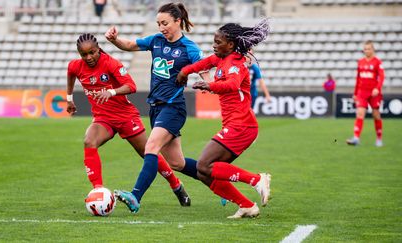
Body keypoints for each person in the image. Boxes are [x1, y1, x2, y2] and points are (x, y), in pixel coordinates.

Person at [105, 2, 210, 213]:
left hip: (174, 108)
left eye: (165, 23)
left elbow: (204, 69)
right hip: (155, 108)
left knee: (150, 147)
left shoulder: (189, 47)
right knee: (177, 163)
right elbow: (129, 45)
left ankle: (135, 196)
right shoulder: (156, 40)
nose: (162, 27)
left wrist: (209, 83)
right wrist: (114, 39)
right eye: (159, 23)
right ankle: (220, 182)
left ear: (178, 21)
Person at [66, 33, 191, 208]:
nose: (89, 57)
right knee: (89, 141)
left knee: (148, 153)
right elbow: (71, 73)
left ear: (98, 49)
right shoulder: (76, 66)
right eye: (84, 54)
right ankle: (98, 190)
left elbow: (131, 86)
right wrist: (69, 97)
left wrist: (111, 92)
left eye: (92, 53)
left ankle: (175, 184)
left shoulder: (111, 63)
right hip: (103, 119)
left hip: (125, 116)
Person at [176, 20, 271, 218]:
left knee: (203, 164)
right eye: (214, 41)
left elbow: (232, 84)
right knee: (205, 173)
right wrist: (185, 71)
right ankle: (246, 205)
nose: (214, 45)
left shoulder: (235, 63)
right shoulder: (220, 58)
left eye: (218, 42)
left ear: (230, 44)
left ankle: (257, 179)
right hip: (236, 126)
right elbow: (203, 63)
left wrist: (209, 86)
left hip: (242, 126)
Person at [346, 40, 385, 147]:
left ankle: (379, 139)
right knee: (360, 113)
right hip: (362, 92)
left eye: (368, 49)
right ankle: (356, 138)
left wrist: (377, 88)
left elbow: (382, 77)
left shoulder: (377, 62)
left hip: (374, 93)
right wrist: (355, 93)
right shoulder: (360, 62)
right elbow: (358, 78)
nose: (366, 51)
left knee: (376, 114)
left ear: (373, 49)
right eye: (365, 49)